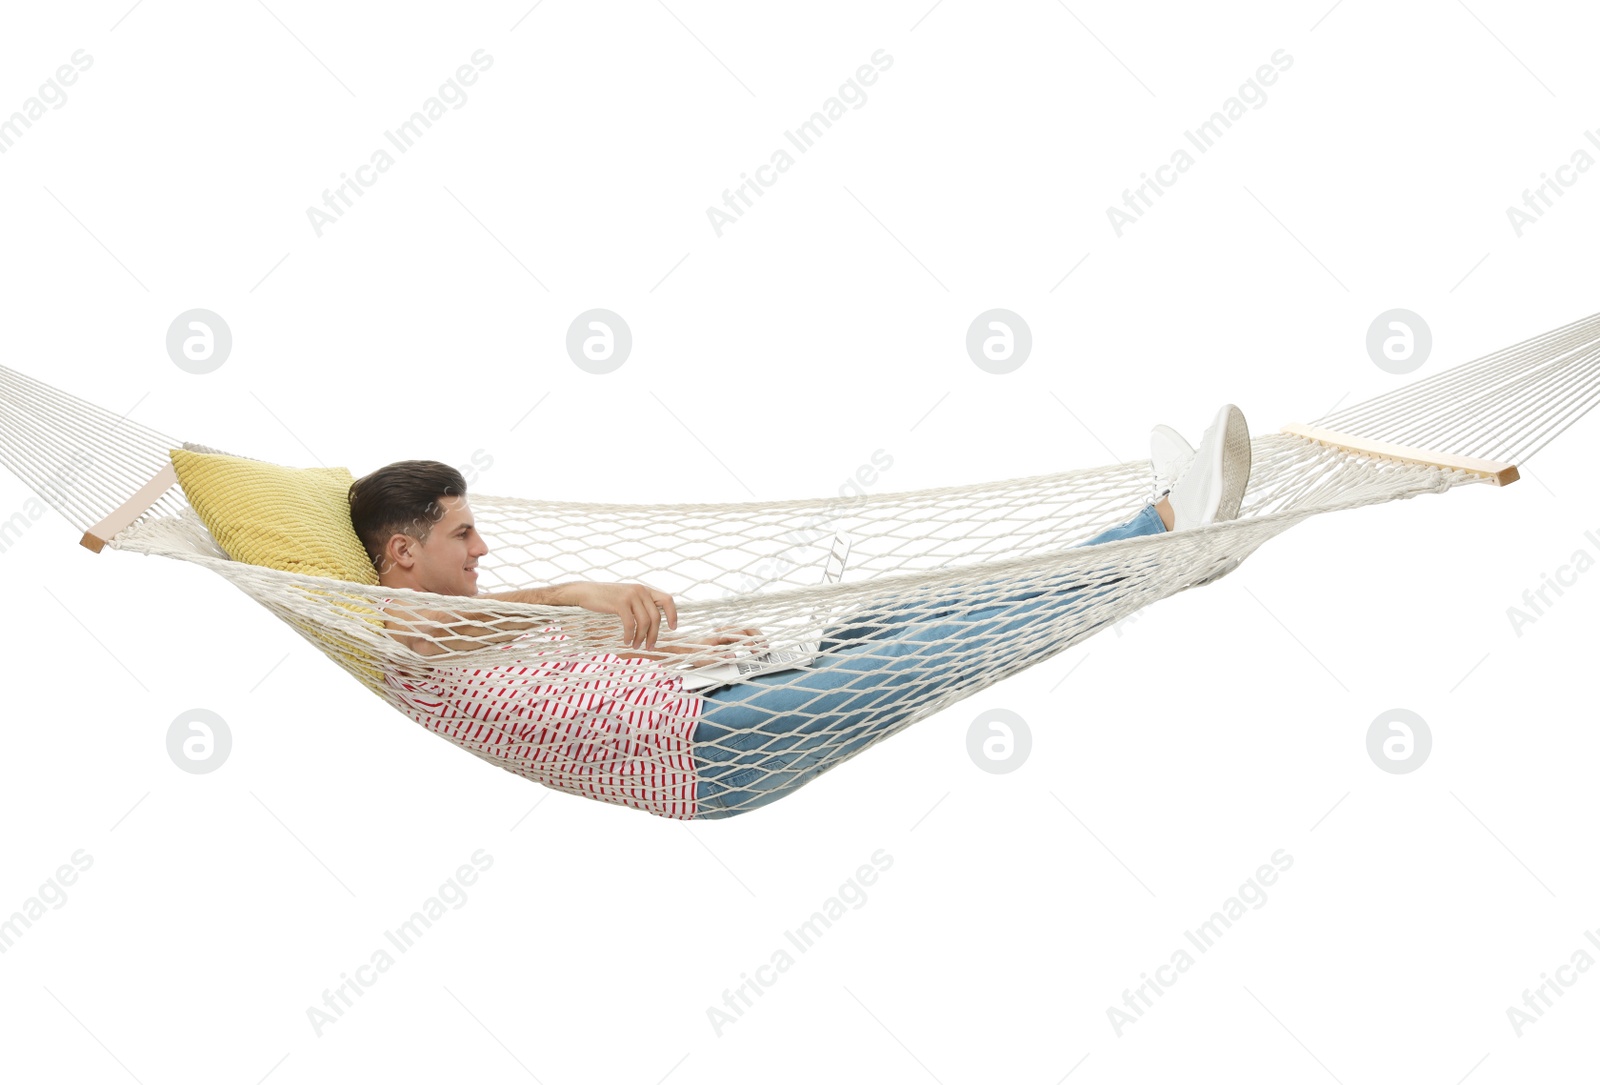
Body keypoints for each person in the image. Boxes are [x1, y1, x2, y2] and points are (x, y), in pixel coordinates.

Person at [355, 405, 1251, 819]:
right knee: (959, 645)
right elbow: (437, 635)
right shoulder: (396, 630)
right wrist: (573, 590)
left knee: (947, 605)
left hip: (714, 700)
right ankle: (1175, 549)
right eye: (463, 533)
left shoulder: (469, 624)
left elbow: (570, 685)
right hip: (709, 747)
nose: (483, 551)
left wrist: (696, 652)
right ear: (403, 551)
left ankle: (1159, 527)